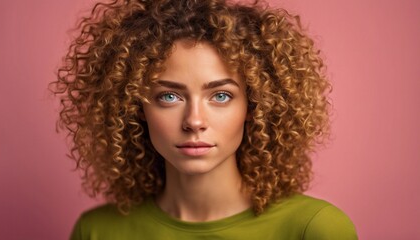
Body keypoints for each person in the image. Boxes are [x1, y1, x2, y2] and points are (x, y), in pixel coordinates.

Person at [52, 0, 358, 239]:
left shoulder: (314, 230)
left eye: (221, 96)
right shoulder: (97, 232)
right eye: (169, 97)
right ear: (136, 108)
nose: (194, 121)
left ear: (253, 106)